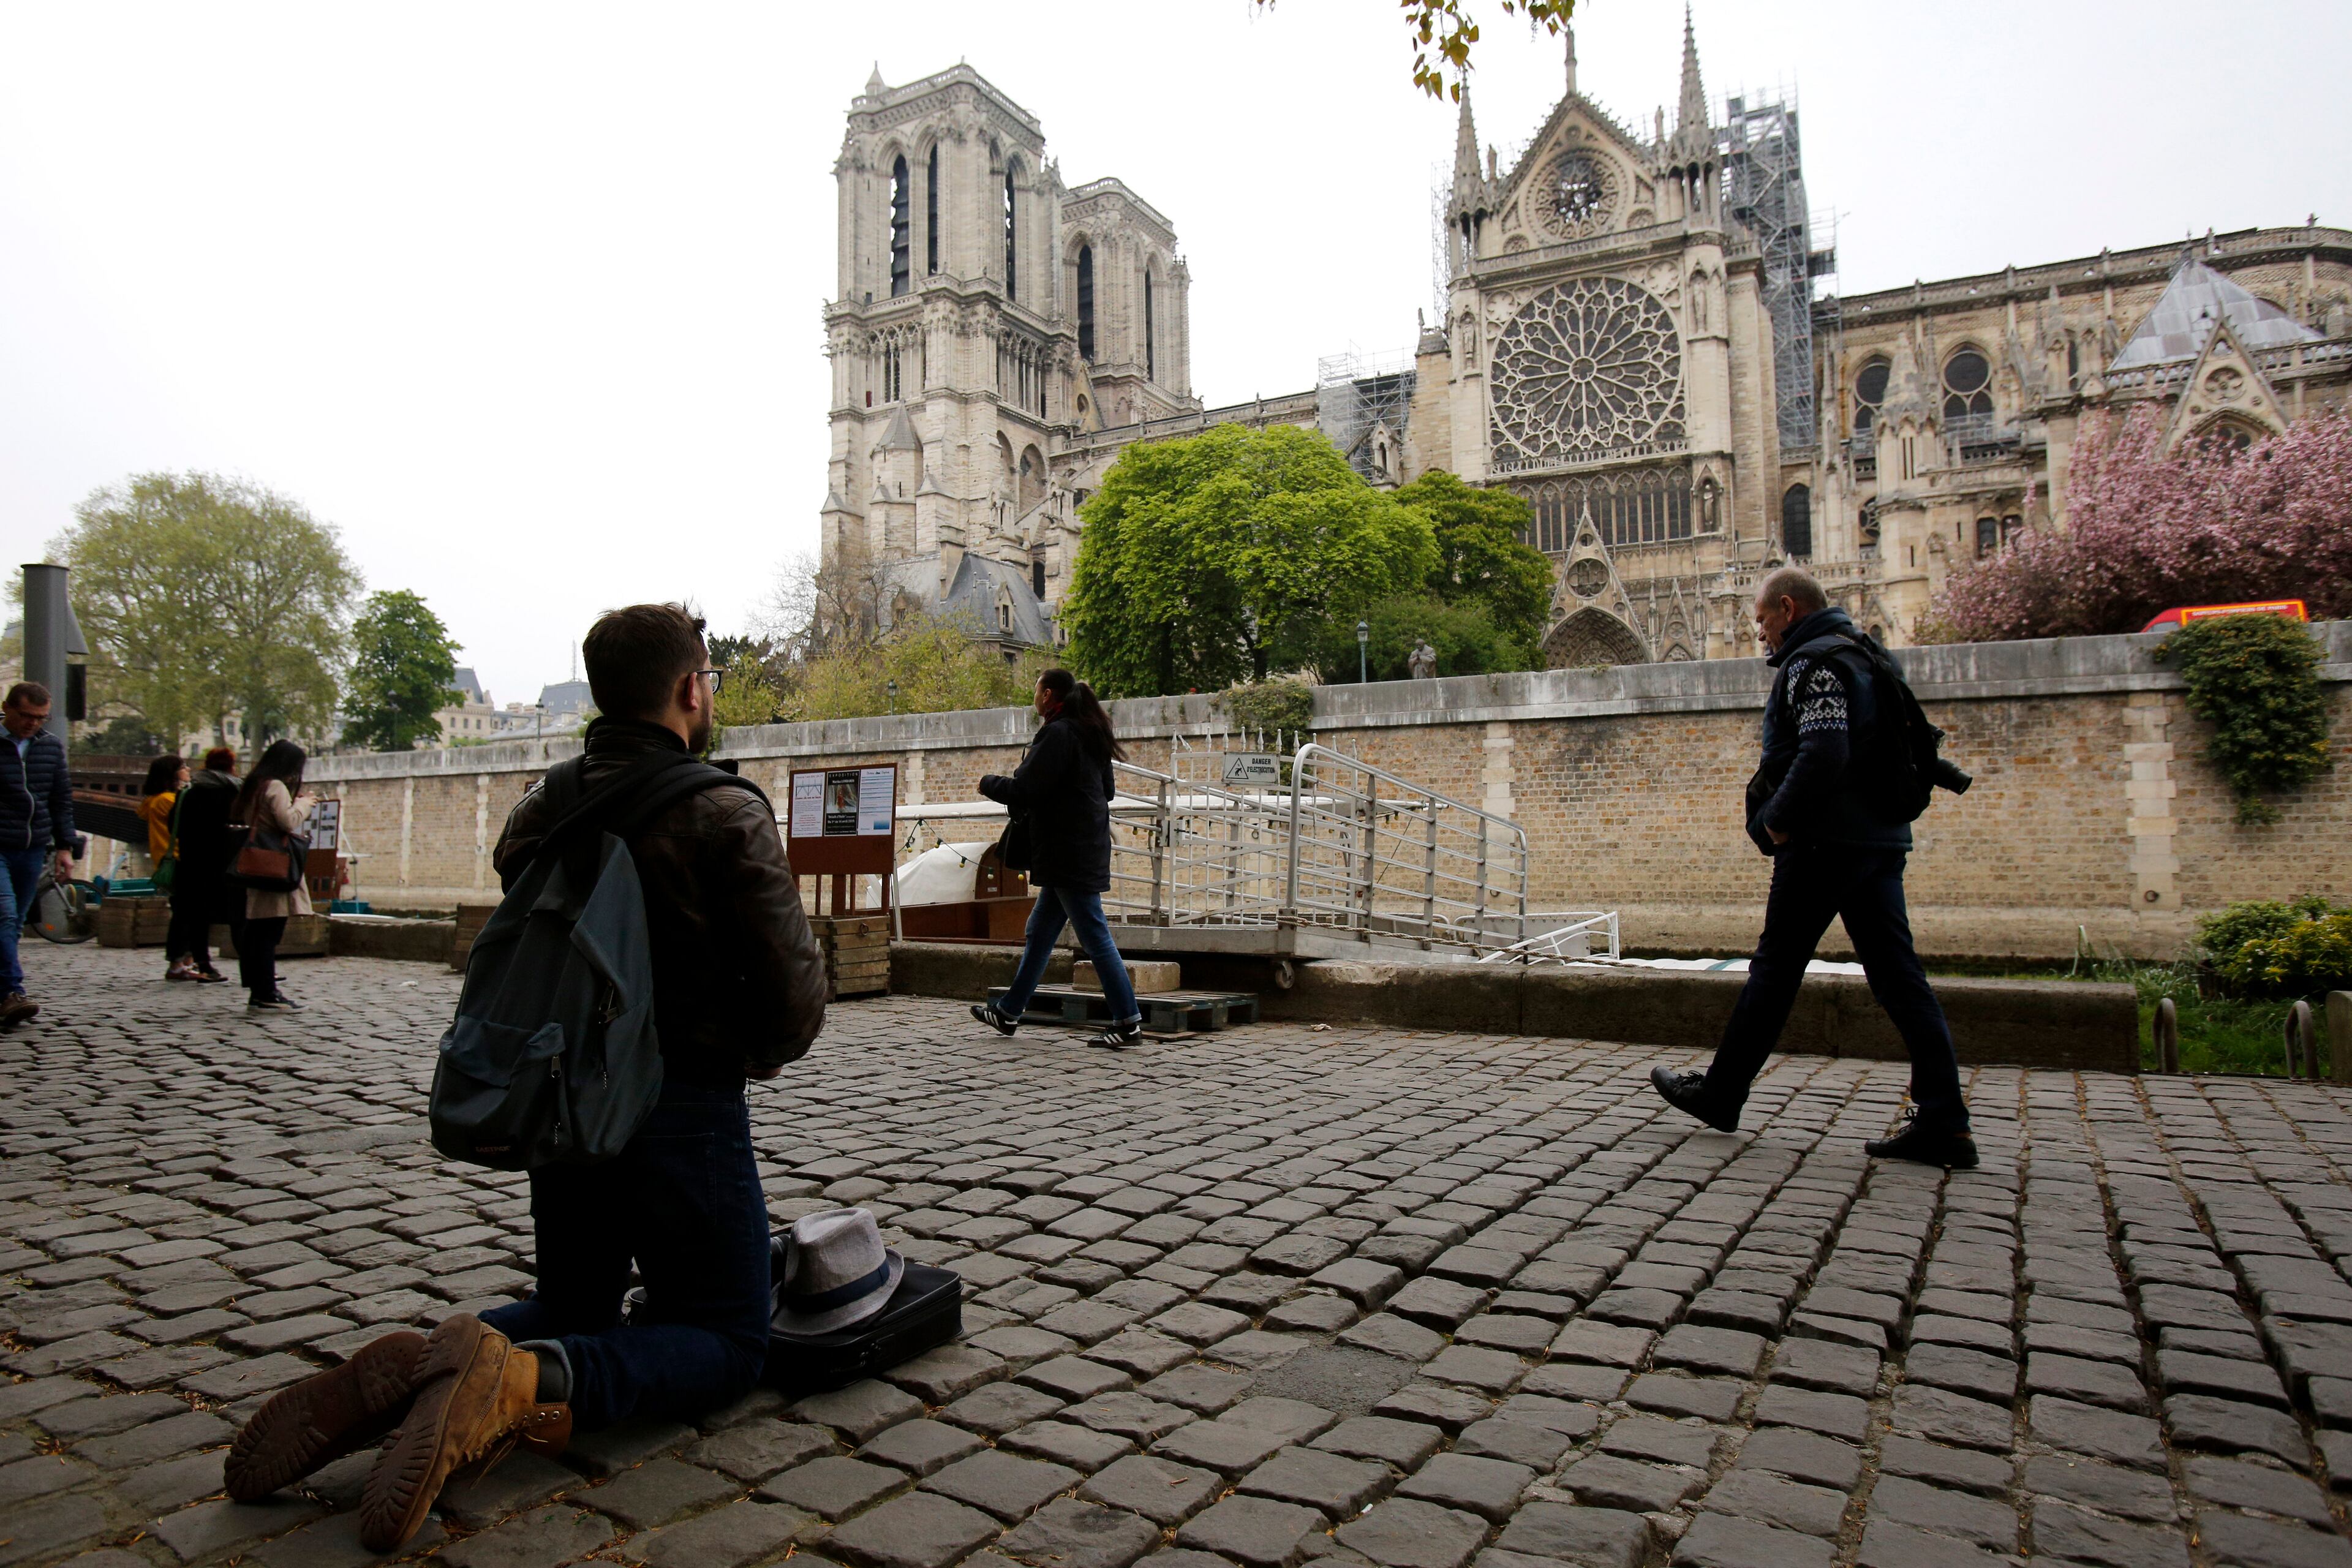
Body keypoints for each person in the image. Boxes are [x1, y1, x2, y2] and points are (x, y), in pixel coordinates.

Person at [224, 603, 829, 1553]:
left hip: (564, 1096)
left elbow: (538, 905)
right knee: (725, 1338)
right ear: (687, 688)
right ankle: (516, 1386)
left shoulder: (547, 805)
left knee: (575, 1299)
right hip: (684, 1102)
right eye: (706, 677)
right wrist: (754, 1049)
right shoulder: (723, 807)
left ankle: (424, 1368)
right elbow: (795, 995)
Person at [1648, 567, 1977, 1169]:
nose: (1759, 633)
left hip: (1826, 843)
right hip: (1879, 839)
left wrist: (1777, 819)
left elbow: (1824, 748)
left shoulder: (1814, 663)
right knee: (1901, 979)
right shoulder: (1867, 653)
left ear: (1788, 609)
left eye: (1762, 618)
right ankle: (1945, 1120)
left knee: (1773, 972)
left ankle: (1721, 1094)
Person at [970, 668, 1144, 1050]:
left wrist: (987, 783)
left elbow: (1026, 788)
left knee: (1095, 936)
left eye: (1036, 691)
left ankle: (1128, 1022)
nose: (1034, 697)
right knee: (1041, 931)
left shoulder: (1059, 733)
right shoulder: (1090, 733)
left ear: (1048, 695)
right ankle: (1010, 1011)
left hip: (1068, 853)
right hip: (1082, 848)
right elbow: (1107, 791)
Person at [0, 682, 77, 1028]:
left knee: (13, 923)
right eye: (27, 716)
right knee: (4, 916)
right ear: (8, 709)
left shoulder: (50, 746)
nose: (33, 724)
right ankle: (12, 993)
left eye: (41, 718)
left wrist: (65, 846)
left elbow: (60, 799)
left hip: (33, 846)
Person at [232, 740, 317, 1013]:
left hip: (255, 862)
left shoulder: (253, 786)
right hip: (274, 865)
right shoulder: (276, 787)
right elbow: (288, 821)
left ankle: (260, 989)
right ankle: (266, 992)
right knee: (268, 934)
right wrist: (305, 804)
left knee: (258, 932)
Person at [170, 748, 239, 984]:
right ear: (230, 766)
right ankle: (256, 965)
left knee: (195, 914)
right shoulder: (233, 791)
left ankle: (202, 963)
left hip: (190, 861)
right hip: (224, 862)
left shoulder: (189, 791)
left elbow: (174, 824)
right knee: (237, 914)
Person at [138, 755, 197, 979]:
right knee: (185, 914)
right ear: (172, 774)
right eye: (183, 767)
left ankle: (187, 961)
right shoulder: (167, 801)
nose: (188, 769)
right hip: (180, 859)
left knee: (187, 912)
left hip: (170, 860)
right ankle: (177, 963)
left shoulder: (156, 800)